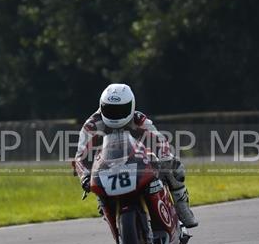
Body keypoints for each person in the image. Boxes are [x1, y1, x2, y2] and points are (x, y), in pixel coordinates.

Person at [72, 83, 199, 228]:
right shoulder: (92, 125)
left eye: (121, 109)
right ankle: (115, 223)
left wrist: (165, 157)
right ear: (101, 107)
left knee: (175, 167)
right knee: (101, 199)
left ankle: (182, 207)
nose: (115, 114)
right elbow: (80, 157)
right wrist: (85, 177)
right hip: (106, 167)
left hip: (138, 160)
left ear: (131, 107)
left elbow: (159, 140)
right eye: (110, 109)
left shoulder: (138, 119)